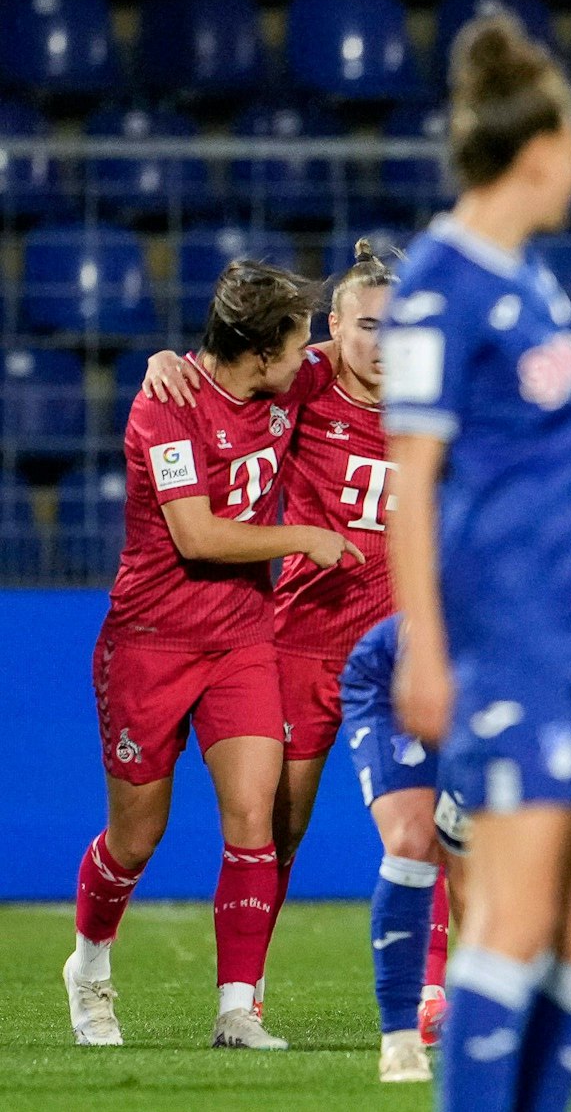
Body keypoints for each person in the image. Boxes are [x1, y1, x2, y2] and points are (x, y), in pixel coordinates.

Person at [379, 14, 571, 1111]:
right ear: (538, 151)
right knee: (516, 914)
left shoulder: (533, 278)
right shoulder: (438, 285)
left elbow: (542, 463)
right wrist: (428, 652)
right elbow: (415, 480)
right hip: (511, 642)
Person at [138, 242, 453, 1043]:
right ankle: (246, 994)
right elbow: (226, 375)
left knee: (425, 827)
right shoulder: (302, 382)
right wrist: (165, 359)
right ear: (334, 329)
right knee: (275, 829)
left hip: (397, 651)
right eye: (366, 328)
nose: (382, 345)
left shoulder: (436, 400)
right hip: (301, 644)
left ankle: (433, 994)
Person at [64, 261, 362, 1051]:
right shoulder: (165, 410)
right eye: (300, 345)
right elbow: (197, 537)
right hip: (151, 642)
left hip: (242, 640)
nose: (314, 357)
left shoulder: (282, 381)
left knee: (254, 819)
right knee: (135, 838)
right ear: (259, 354)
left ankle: (237, 1009)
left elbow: (351, 353)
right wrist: (304, 536)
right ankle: (89, 968)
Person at [339, 613, 459, 1082]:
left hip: (497, 677)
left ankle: (477, 1016)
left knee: (473, 855)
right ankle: (401, 1038)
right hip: (400, 669)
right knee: (413, 838)